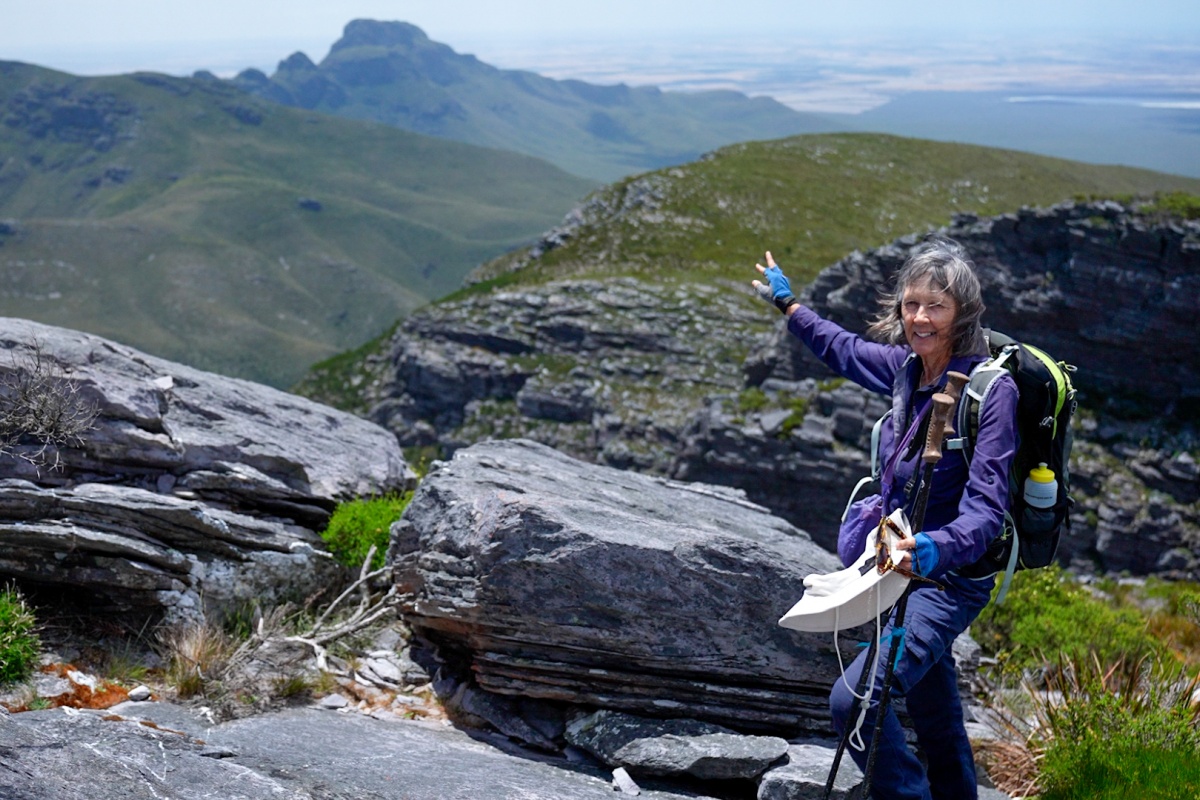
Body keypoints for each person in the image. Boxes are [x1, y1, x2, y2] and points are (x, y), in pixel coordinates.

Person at [751, 239, 1018, 800]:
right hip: (897, 570)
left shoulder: (992, 394)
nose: (919, 318)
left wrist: (935, 547)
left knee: (852, 701)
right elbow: (842, 349)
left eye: (936, 306)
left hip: (946, 580)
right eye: (911, 304)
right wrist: (790, 307)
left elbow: (987, 513)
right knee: (936, 713)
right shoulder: (906, 370)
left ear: (962, 312)